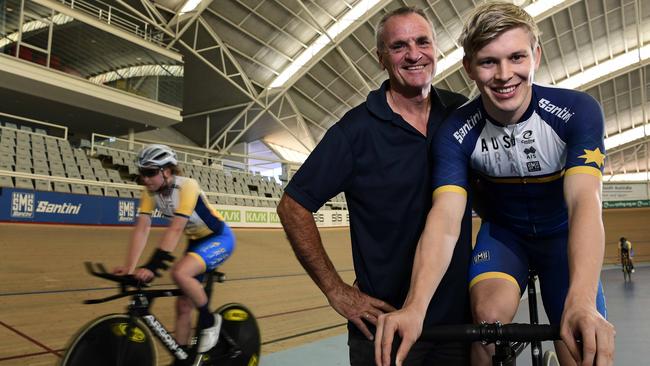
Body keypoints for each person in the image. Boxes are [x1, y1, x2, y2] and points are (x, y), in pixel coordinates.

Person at [375, 2, 615, 366]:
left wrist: (581, 302)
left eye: (516, 57)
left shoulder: (577, 112)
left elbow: (584, 201)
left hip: (562, 238)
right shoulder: (456, 132)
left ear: (536, 55)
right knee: (487, 323)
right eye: (489, 61)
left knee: (586, 347)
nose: (504, 75)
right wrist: (414, 307)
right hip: (506, 237)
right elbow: (444, 221)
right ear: (469, 67)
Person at [276, 6, 472, 366]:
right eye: (399, 46)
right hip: (384, 328)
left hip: (457, 324)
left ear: (436, 49)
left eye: (422, 41)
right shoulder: (355, 131)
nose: (413, 54)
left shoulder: (461, 114)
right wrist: (336, 291)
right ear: (381, 59)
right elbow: (293, 205)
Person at [113, 144, 235, 359]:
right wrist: (130, 269)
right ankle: (183, 358)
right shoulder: (149, 192)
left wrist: (152, 266)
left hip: (219, 238)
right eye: (142, 173)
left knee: (180, 273)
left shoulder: (187, 186)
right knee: (183, 305)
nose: (145, 179)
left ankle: (209, 320)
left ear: (167, 171)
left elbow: (176, 228)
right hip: (196, 241)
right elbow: (142, 229)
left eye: (150, 172)